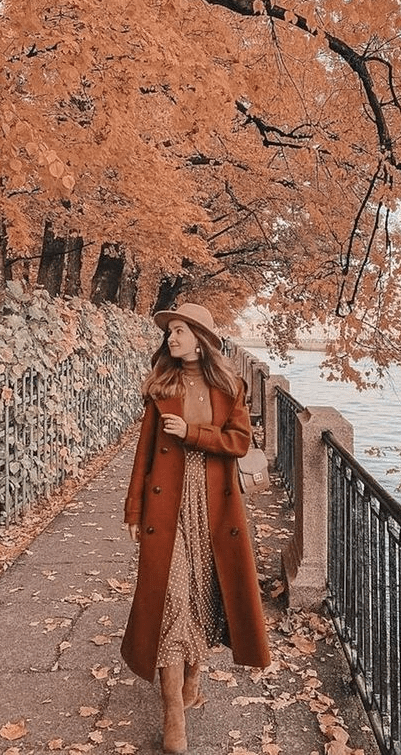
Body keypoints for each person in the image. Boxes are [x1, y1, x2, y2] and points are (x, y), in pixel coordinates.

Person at [120, 302, 270, 754]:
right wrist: (133, 511)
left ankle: (193, 675)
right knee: (172, 596)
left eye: (181, 331)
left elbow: (239, 442)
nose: (172, 338)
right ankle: (173, 715)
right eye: (170, 332)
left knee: (203, 594)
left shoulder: (231, 387)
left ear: (201, 339)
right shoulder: (161, 387)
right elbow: (144, 454)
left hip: (213, 508)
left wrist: (192, 433)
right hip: (167, 511)